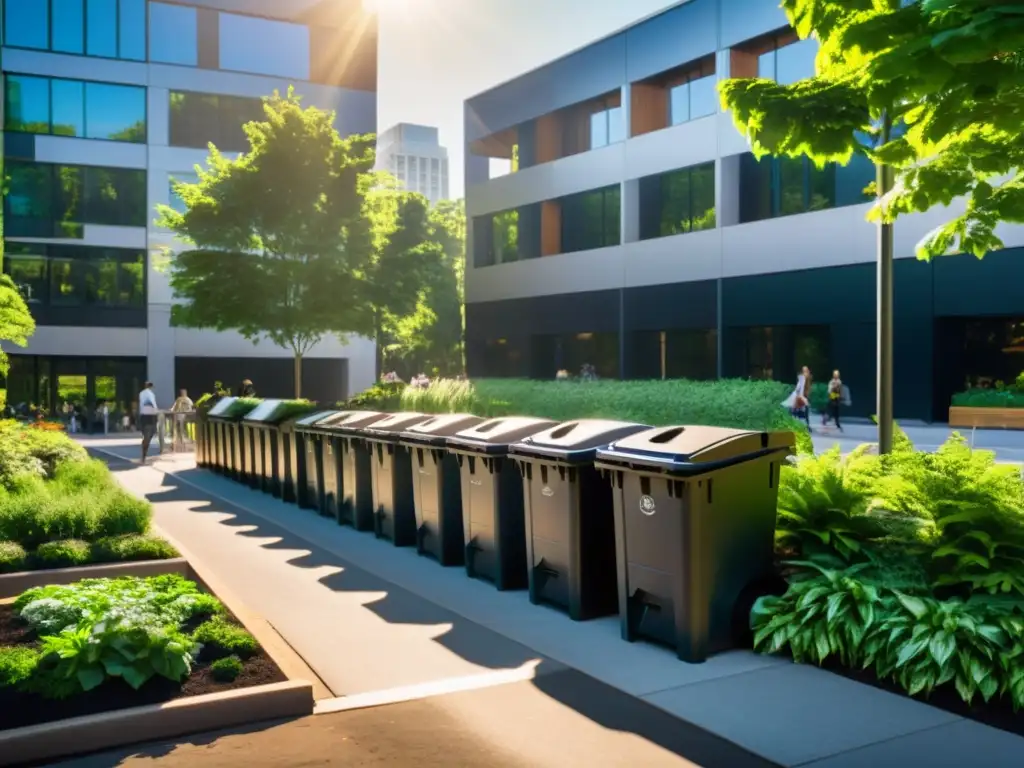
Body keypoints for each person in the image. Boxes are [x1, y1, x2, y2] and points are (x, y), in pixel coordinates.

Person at [138, 381, 159, 463]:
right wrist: (156, 411)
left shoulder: (141, 393)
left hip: (143, 415)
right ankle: (144, 450)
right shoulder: (150, 394)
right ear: (151, 387)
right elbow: (153, 403)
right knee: (151, 432)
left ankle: (144, 453)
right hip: (150, 415)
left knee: (145, 433)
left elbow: (141, 404)